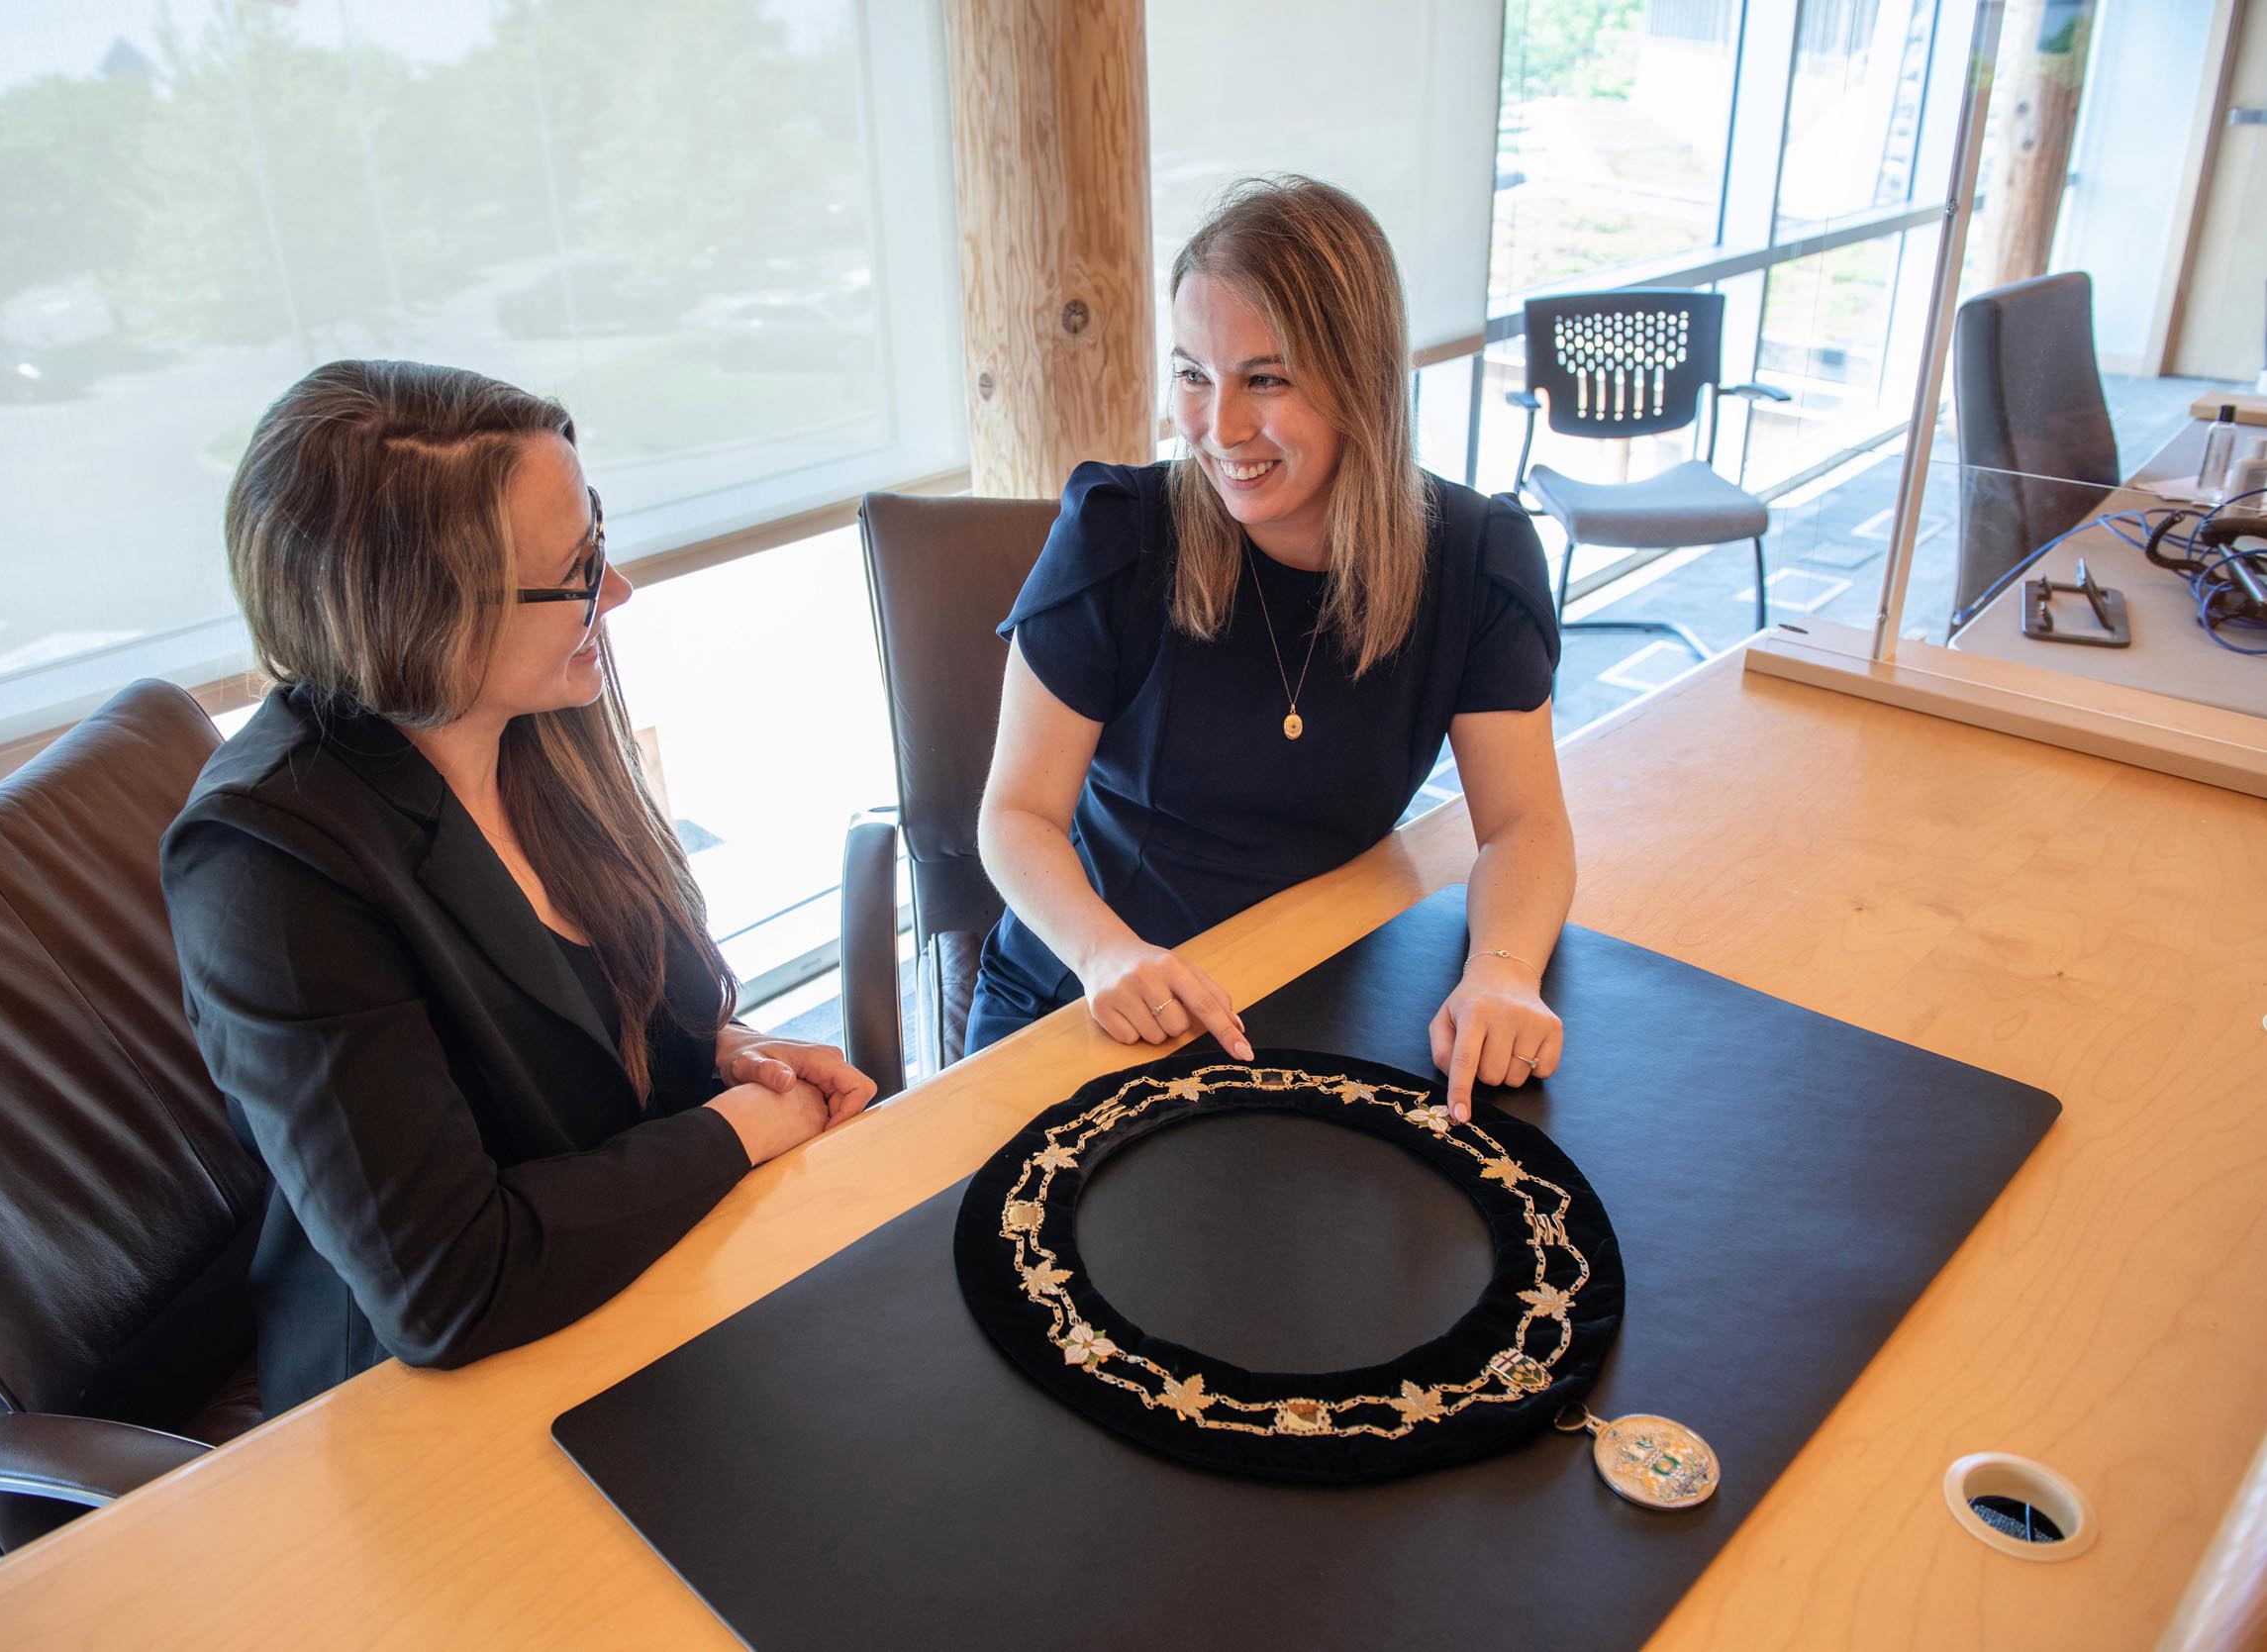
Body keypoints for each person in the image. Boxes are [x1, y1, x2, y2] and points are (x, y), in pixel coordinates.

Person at [162, 360, 875, 1416]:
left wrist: (727, 1056)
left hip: (641, 1278)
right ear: (422, 610)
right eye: (579, 568)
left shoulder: (540, 713)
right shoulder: (266, 869)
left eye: (597, 538)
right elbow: (450, 1285)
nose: (616, 591)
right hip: (432, 1401)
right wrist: (745, 1127)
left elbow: (605, 1017)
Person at [968, 176, 1576, 1119]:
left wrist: (1504, 971)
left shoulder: (1475, 559)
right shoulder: (1120, 536)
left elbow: (1524, 824)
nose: (1221, 428)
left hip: (1312, 986)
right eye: (1194, 374)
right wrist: (1105, 951)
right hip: (1091, 995)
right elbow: (1015, 815)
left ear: (1360, 376)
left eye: (1267, 377)